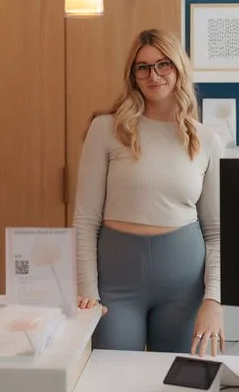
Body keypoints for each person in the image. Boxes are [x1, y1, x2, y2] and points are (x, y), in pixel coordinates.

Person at [73, 28, 224, 357]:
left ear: (179, 69)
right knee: (112, 382)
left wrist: (213, 299)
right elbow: (85, 219)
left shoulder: (207, 140)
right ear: (133, 75)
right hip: (115, 286)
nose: (153, 75)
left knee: (177, 388)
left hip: (184, 289)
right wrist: (88, 290)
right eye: (143, 67)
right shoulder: (105, 129)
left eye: (163, 65)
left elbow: (215, 233)